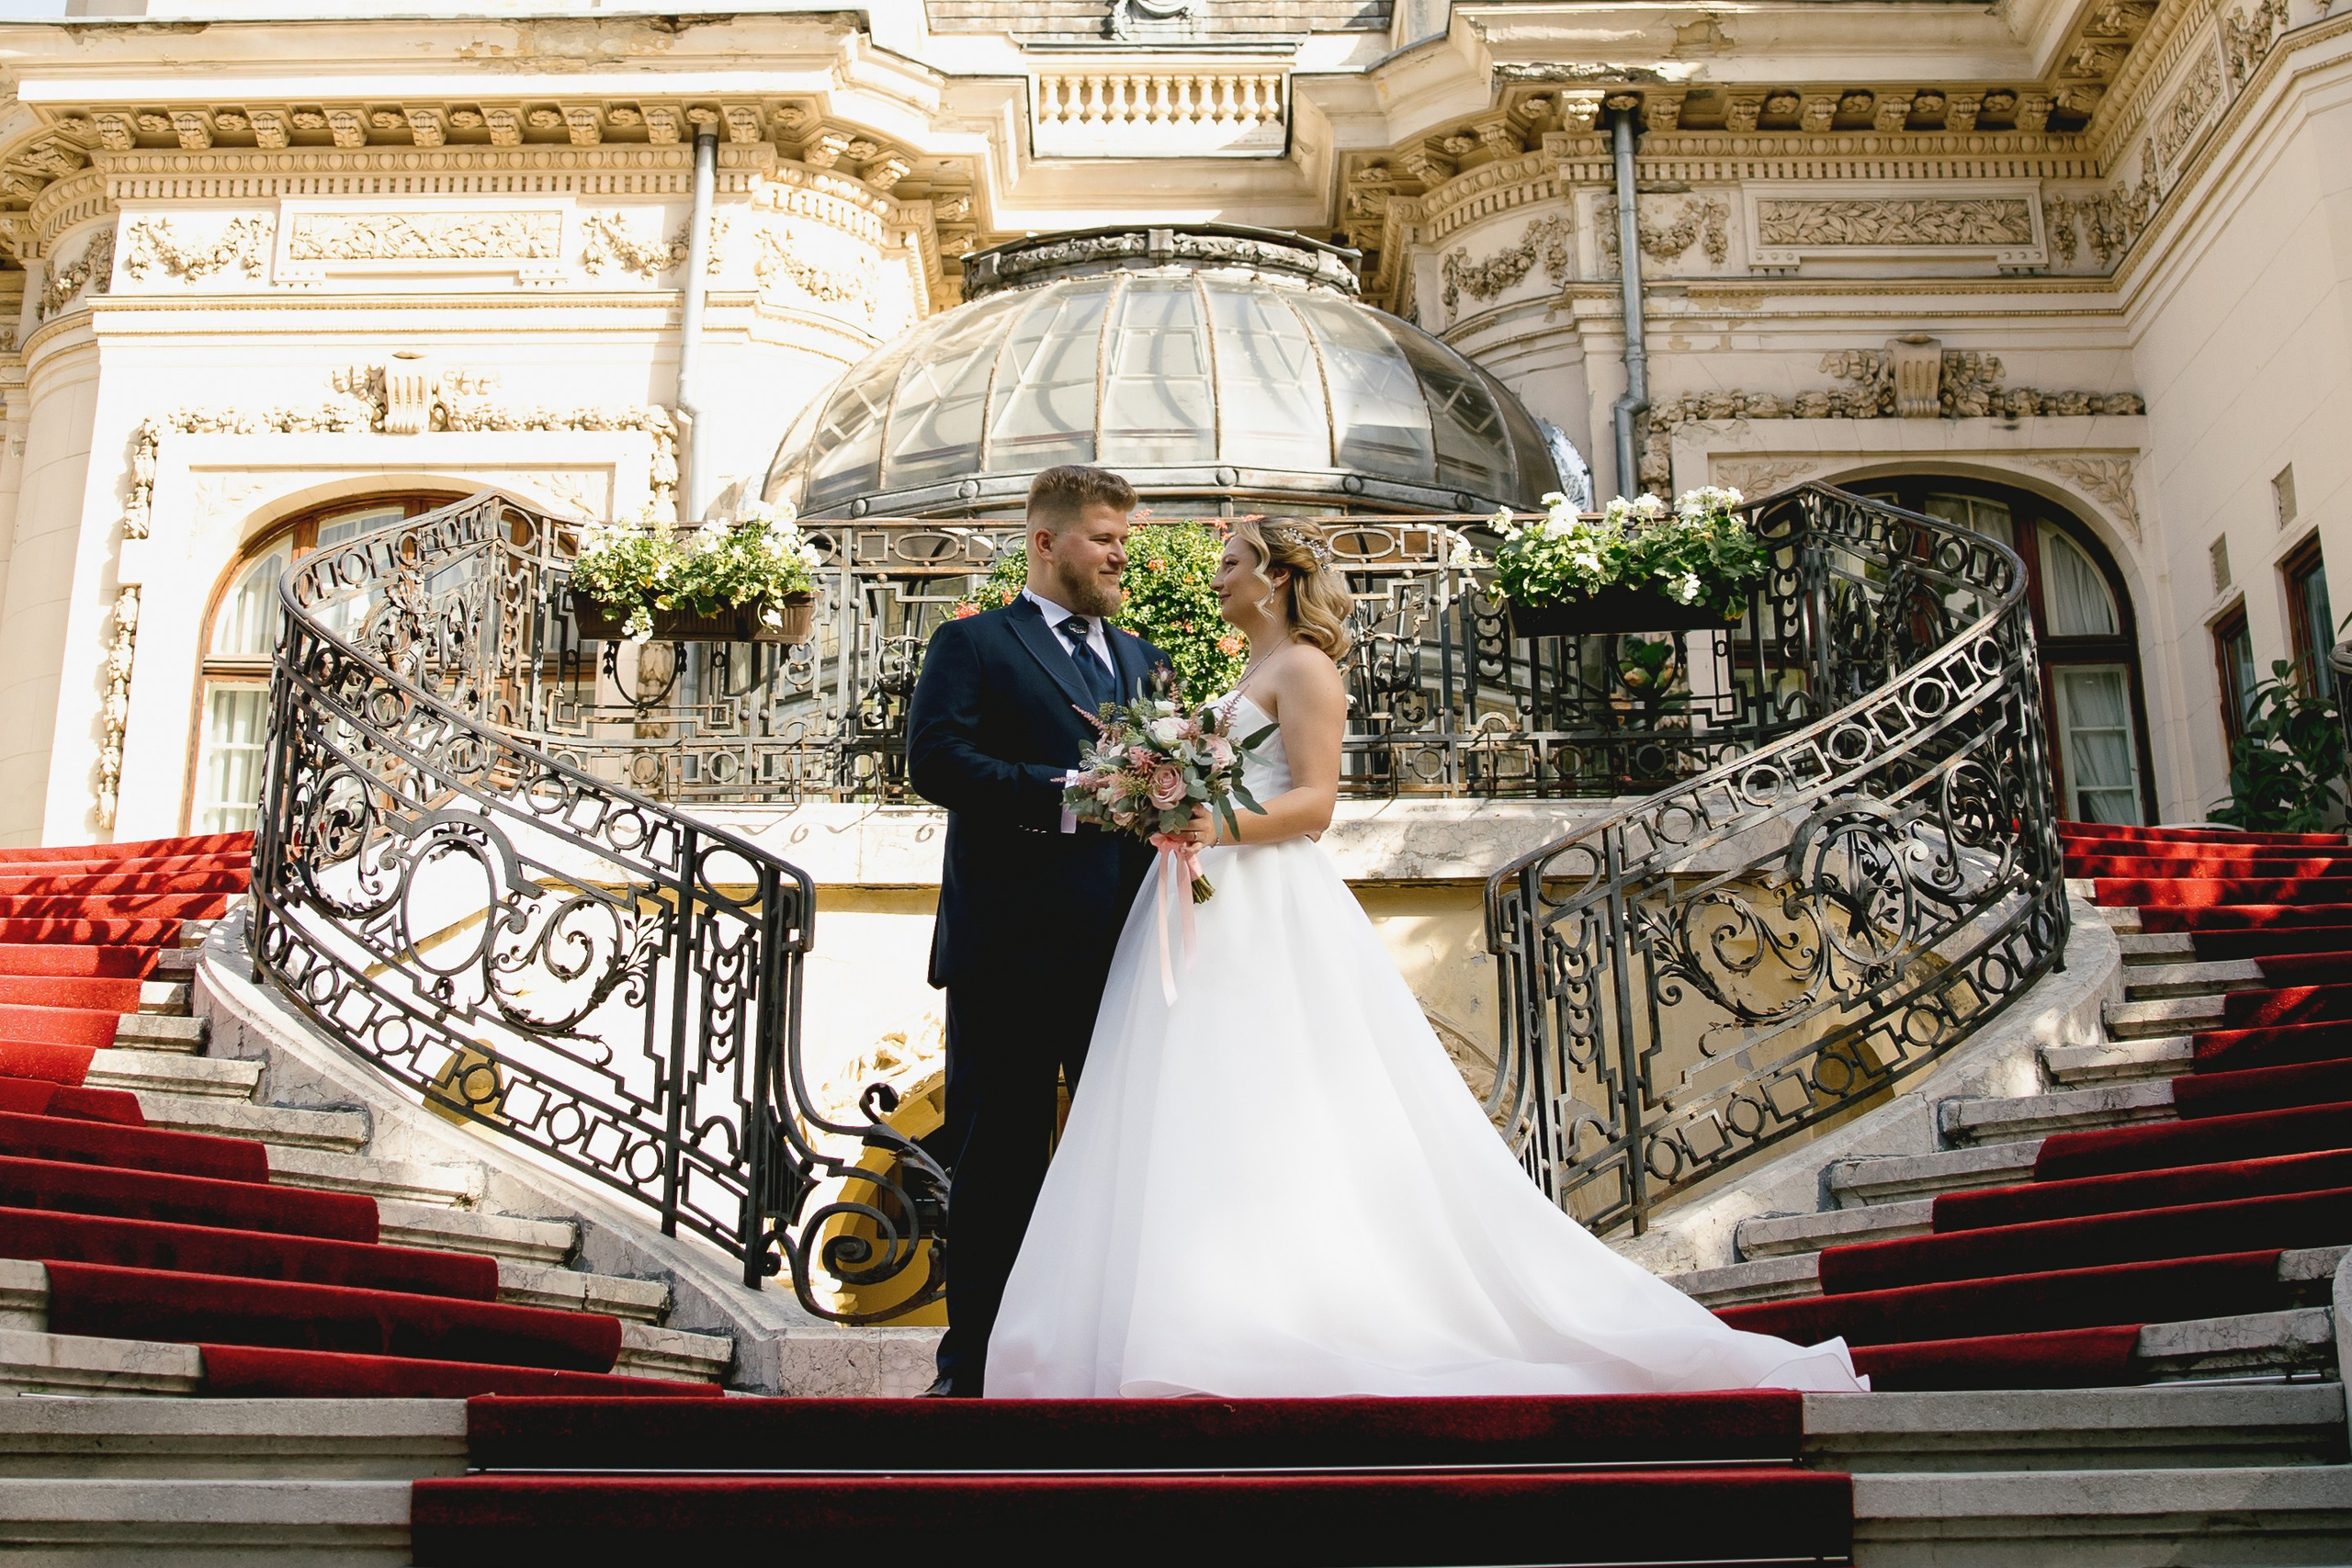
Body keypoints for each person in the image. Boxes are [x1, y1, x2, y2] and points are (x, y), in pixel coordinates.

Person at [985, 517, 1866, 1398]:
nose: (1216, 577)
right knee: (1187, 1096)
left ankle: (1266, 1318)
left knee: (1270, 1090)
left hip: (1265, 897)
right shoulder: (1246, 672)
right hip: (1201, 895)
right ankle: (1185, 1310)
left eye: (1230, 563)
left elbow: (1318, 803)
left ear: (1279, 579)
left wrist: (1218, 823)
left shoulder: (1306, 670)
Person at [905, 464, 1169, 1398]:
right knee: (997, 1164)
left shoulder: (1143, 661)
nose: (1119, 555)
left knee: (1126, 1162)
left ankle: (1117, 1363)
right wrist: (1062, 798)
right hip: (1008, 949)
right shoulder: (973, 644)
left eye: (1124, 540)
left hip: (1126, 949)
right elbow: (933, 758)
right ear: (1046, 541)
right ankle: (972, 1371)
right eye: (1104, 538)